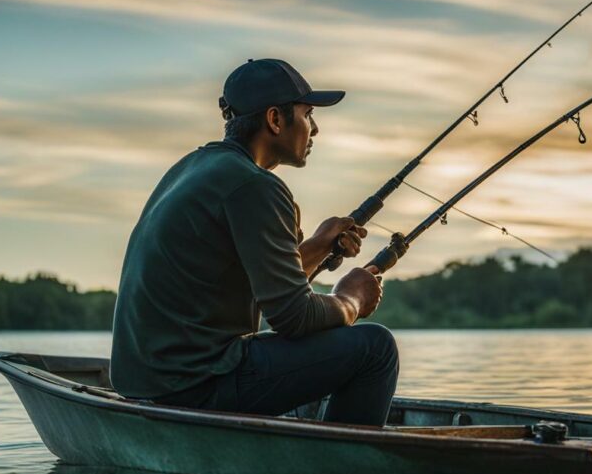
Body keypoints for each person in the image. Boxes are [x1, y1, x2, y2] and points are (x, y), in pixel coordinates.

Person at [110, 58, 398, 426]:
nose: (316, 129)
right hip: (197, 385)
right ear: (276, 119)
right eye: (308, 114)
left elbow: (259, 284)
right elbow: (293, 317)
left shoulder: (193, 168)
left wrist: (320, 245)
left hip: (149, 381)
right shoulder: (255, 186)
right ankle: (348, 469)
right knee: (376, 348)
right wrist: (352, 299)